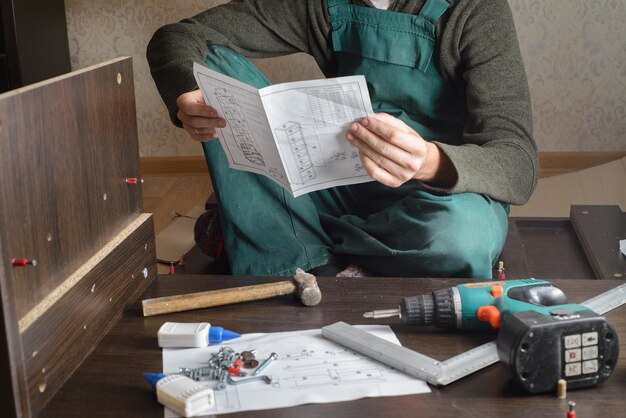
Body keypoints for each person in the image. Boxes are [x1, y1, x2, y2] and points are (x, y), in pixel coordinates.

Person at [147, 0, 537, 278]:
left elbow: (518, 163)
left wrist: (430, 161)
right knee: (212, 64)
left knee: (459, 240)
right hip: (340, 179)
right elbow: (180, 36)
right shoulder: (322, 6)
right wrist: (185, 91)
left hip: (436, 197)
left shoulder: (477, 10)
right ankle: (304, 255)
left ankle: (275, 236)